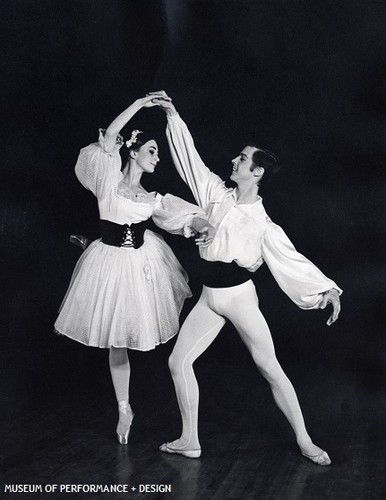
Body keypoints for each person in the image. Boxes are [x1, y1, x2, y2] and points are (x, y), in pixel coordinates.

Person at [151, 91, 342, 465]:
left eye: (241, 158)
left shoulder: (264, 226)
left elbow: (291, 260)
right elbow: (190, 160)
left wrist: (327, 290)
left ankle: (304, 440)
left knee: (269, 368)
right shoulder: (216, 194)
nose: (233, 160)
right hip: (209, 296)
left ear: (256, 172)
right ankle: (189, 439)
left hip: (239, 299)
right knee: (178, 362)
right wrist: (172, 116)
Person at [54, 94, 212, 445]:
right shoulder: (108, 182)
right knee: (115, 341)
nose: (157, 157)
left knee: (126, 337)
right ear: (133, 152)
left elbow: (181, 217)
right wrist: (142, 104)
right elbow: (109, 137)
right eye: (152, 150)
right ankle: (124, 407)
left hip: (141, 266)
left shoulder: (152, 198)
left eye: (158, 152)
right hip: (107, 265)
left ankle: (131, 407)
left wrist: (204, 224)